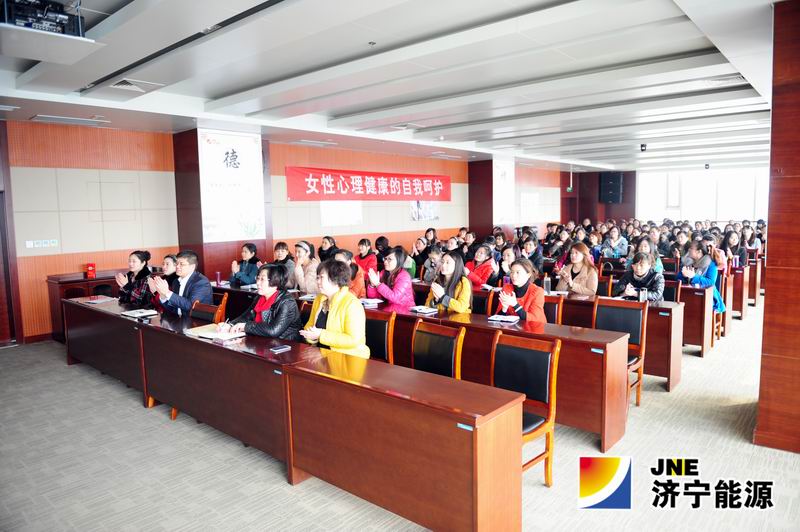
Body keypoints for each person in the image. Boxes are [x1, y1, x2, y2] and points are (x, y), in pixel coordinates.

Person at [300, 259, 369, 358]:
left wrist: (321, 335)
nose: (318, 281)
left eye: (322, 277)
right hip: (322, 353)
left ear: (336, 280)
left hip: (348, 357)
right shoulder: (319, 299)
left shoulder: (352, 304)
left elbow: (353, 339)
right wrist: (311, 337)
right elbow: (310, 326)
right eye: (317, 277)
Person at [220, 264, 302, 340]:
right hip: (262, 340)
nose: (258, 283)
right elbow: (246, 317)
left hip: (285, 344)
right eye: (258, 278)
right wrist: (230, 325)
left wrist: (245, 326)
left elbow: (273, 330)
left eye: (262, 279)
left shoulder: (287, 302)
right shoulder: (260, 297)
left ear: (275, 281)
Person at [148, 250, 213, 315]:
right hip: (179, 318)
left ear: (192, 267)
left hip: (197, 319)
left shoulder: (201, 282)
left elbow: (191, 306)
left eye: (181, 264)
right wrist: (162, 296)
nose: (177, 266)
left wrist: (167, 292)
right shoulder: (176, 281)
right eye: (177, 264)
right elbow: (173, 309)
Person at [679, 241, 725, 313]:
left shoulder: (711, 263)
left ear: (699, 251)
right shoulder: (689, 262)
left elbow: (711, 282)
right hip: (690, 293)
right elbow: (678, 277)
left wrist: (694, 276)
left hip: (707, 296)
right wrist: (684, 276)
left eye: (691, 248)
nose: (689, 250)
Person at [498, 258, 546, 323]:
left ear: (528, 275)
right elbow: (498, 318)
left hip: (534, 327)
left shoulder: (538, 292)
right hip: (512, 327)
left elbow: (534, 319)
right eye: (512, 272)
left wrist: (515, 305)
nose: (513, 275)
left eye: (518, 272)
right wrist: (504, 309)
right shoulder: (507, 288)